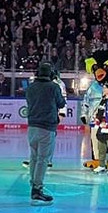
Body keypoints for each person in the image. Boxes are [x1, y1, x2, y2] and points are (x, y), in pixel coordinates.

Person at [26, 62, 67, 204]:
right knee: (43, 159)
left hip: (32, 126)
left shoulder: (30, 88)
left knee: (34, 157)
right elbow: (61, 103)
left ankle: (34, 184)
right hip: (47, 127)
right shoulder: (53, 87)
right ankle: (37, 189)